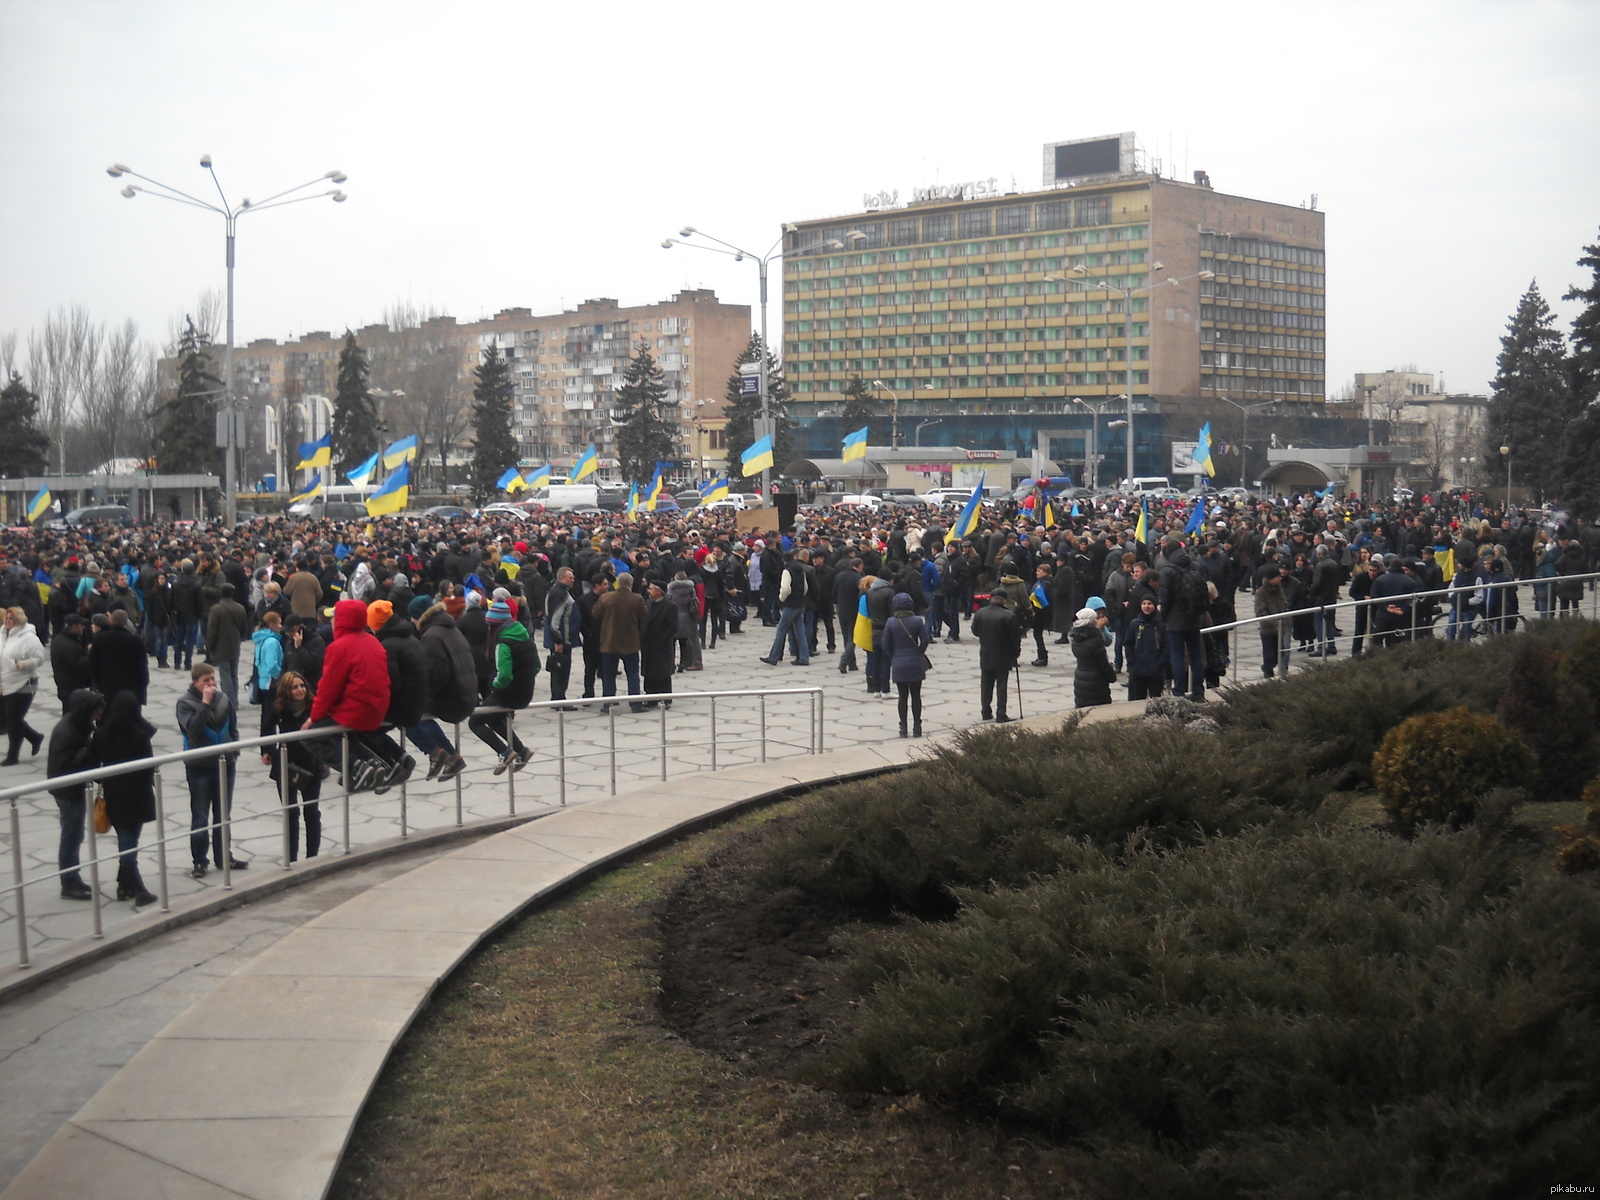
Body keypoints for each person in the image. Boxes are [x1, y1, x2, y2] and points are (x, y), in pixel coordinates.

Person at [302, 598, 394, 792]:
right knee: (342, 734)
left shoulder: (340, 647)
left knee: (309, 736)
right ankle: (371, 764)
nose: (332, 621)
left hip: (356, 711)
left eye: (335, 617)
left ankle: (355, 766)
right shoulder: (372, 641)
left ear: (342, 620)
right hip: (376, 709)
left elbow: (327, 688)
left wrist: (314, 717)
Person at [90, 691, 160, 907]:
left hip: (115, 793)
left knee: (127, 839)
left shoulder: (102, 734)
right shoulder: (139, 735)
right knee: (130, 841)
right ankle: (138, 888)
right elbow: (149, 766)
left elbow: (92, 764)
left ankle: (123, 884)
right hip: (138, 794)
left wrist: (104, 779)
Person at [177, 662, 245, 878]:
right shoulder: (185, 704)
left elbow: (233, 727)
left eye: (213, 679)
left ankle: (224, 856)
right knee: (200, 815)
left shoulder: (224, 699)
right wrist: (205, 703)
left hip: (225, 764)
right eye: (206, 681)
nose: (211, 684)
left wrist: (234, 750)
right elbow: (193, 729)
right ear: (195, 682)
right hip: (199, 767)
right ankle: (199, 861)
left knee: (223, 814)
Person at [468, 598, 537, 773]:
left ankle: (504, 752)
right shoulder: (525, 637)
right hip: (526, 692)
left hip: (509, 694)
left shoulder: (503, 643)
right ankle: (522, 750)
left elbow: (504, 675)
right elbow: (537, 666)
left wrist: (494, 685)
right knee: (493, 719)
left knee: (475, 722)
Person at [47, 688, 104, 900]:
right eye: (96, 711)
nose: (98, 715)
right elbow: (69, 766)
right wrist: (90, 751)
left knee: (75, 834)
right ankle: (68, 882)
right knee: (71, 835)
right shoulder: (68, 733)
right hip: (67, 791)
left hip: (72, 789)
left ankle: (73, 876)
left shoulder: (78, 726)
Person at [414, 596, 475, 780]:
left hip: (455, 699)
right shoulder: (451, 628)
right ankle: (448, 755)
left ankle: (440, 753)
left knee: (411, 713)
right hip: (468, 693)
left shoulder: (430, 636)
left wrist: (423, 696)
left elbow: (436, 676)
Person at [265, 670, 323, 862]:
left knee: (311, 811)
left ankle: (312, 856)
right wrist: (268, 751)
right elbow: (266, 728)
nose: (300, 690)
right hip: (286, 763)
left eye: (302, 686)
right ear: (287, 690)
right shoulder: (279, 707)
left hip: (310, 763)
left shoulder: (315, 705)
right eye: (295, 687)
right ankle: (291, 857)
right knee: (290, 812)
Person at [594, 573, 647, 713]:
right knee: (633, 674)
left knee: (609, 675)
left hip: (609, 642)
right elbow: (644, 615)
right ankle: (635, 704)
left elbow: (595, 614)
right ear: (630, 584)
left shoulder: (605, 598)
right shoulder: (637, 599)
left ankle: (608, 704)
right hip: (630, 642)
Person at [882, 591, 931, 738]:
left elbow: (885, 643)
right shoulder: (917, 621)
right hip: (915, 662)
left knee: (903, 696)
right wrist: (919, 652)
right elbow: (925, 640)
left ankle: (903, 727)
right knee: (916, 695)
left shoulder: (891, 622)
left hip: (899, 661)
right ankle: (917, 726)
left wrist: (894, 656)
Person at [1, 606, 46, 764]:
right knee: (9, 718)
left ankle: (13, 756)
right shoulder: (3, 635)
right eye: (6, 618)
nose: (8, 621)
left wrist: (24, 664)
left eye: (11, 619)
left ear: (18, 620)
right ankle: (35, 737)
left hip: (24, 682)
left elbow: (39, 658)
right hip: (6, 682)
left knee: (14, 719)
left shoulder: (29, 637)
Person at [970, 589, 1022, 723]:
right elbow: (1015, 638)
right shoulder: (1008, 616)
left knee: (986, 684)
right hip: (1003, 655)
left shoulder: (980, 613)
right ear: (1003, 600)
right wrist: (1016, 653)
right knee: (1001, 685)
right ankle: (1001, 713)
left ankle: (986, 711)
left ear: (991, 598)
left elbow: (975, 631)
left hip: (986, 653)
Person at [87, 609, 148, 707]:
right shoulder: (136, 641)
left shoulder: (99, 639)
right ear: (126, 622)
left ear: (110, 620)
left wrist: (99, 683)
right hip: (130, 688)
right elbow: (142, 667)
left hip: (107, 686)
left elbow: (93, 665)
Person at [205, 582, 250, 708]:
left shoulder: (216, 609)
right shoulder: (240, 607)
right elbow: (244, 628)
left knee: (225, 674)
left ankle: (230, 702)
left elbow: (212, 630)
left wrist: (210, 646)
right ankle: (234, 700)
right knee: (233, 673)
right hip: (235, 644)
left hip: (221, 645)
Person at [544, 566, 581, 704]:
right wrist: (558, 642)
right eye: (570, 578)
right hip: (561, 640)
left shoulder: (559, 591)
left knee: (560, 670)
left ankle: (559, 698)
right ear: (561, 578)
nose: (573, 580)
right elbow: (555, 620)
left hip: (562, 638)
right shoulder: (560, 594)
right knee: (560, 670)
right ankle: (558, 699)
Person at [640, 579, 679, 708]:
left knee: (663, 673)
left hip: (661, 645)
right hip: (648, 645)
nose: (648, 591)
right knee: (649, 673)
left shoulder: (670, 606)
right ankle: (651, 697)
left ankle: (666, 698)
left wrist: (662, 638)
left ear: (659, 591)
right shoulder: (648, 603)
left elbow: (673, 626)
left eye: (651, 589)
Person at [1069, 604, 1117, 708]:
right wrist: (1112, 675)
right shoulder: (1095, 641)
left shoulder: (1075, 640)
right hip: (1096, 682)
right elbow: (1103, 664)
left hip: (1080, 679)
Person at [1123, 594, 1167, 701]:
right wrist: (1131, 661)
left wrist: (1161, 662)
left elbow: (1167, 645)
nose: (1146, 606)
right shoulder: (1134, 624)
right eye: (1144, 603)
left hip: (1156, 670)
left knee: (1156, 699)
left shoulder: (1161, 625)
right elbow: (1128, 644)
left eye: (1149, 604)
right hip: (1138, 669)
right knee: (1136, 700)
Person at [249, 611, 285, 738]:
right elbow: (272, 665)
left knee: (265, 716)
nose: (281, 626)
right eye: (279, 623)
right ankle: (269, 749)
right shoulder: (272, 642)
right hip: (272, 683)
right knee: (271, 718)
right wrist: (281, 677)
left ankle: (265, 748)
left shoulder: (260, 639)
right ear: (272, 624)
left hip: (263, 682)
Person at [1254, 565, 1292, 677]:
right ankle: (1268, 673)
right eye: (1277, 576)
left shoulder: (1279, 589)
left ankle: (1267, 668)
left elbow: (1284, 604)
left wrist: (1286, 619)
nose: (1280, 578)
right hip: (1268, 630)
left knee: (1280, 653)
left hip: (1280, 628)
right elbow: (1260, 612)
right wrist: (1274, 622)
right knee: (1268, 655)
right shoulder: (1261, 592)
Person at [50, 614, 93, 711]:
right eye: (81, 625)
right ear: (74, 627)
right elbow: (80, 665)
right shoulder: (70, 645)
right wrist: (90, 653)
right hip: (72, 687)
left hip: (64, 685)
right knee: (73, 715)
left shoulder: (59, 638)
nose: (83, 627)